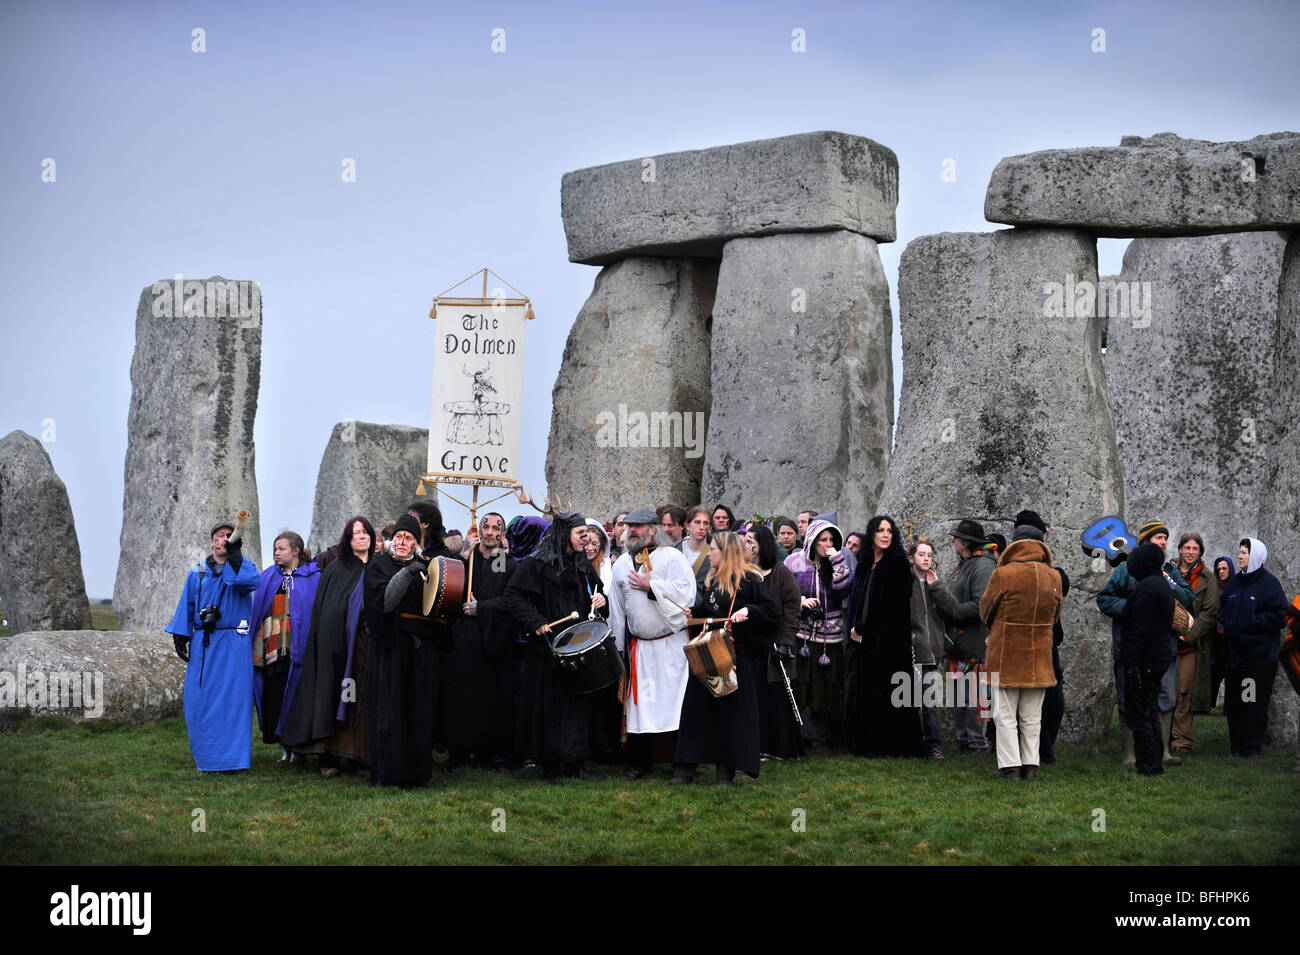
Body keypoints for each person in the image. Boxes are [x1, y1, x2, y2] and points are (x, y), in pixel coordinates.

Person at [502, 513, 609, 780]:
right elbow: (513, 597)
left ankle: (577, 764)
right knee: (551, 705)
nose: (586, 538)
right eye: (580, 533)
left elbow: (597, 590)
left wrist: (600, 598)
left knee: (578, 703)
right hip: (548, 644)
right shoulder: (537, 562)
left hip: (579, 640)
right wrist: (535, 621)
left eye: (586, 532)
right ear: (564, 535)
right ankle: (551, 766)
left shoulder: (582, 561)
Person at [673, 531, 779, 784]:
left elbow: (771, 612)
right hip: (709, 655)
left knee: (731, 717)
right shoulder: (712, 581)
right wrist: (695, 612)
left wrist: (749, 610)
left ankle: (726, 770)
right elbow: (711, 611)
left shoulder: (751, 579)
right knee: (697, 711)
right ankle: (685, 767)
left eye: (713, 550)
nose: (708, 554)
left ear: (726, 552)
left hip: (737, 657)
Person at [280, 516, 375, 777]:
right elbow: (327, 610)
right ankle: (329, 754)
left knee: (359, 700)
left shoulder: (379, 567)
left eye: (366, 531)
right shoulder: (337, 568)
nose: (362, 536)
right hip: (337, 646)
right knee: (334, 694)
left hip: (365, 647)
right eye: (356, 533)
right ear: (348, 539)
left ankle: (358, 755)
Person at [608, 508, 697, 779]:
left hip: (671, 646)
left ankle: (683, 765)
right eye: (628, 526)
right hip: (640, 649)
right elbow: (617, 608)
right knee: (640, 708)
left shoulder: (672, 557)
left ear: (652, 530)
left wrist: (653, 585)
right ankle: (639, 762)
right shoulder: (621, 563)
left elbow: (687, 596)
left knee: (676, 704)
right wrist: (619, 649)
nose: (631, 530)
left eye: (638, 526)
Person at [166, 519, 261, 772]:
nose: (224, 539)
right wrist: (181, 635)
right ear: (212, 541)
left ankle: (233, 760)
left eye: (229, 535)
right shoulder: (197, 572)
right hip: (205, 643)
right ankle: (207, 758)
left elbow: (252, 582)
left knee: (234, 700)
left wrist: (236, 557)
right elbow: (186, 605)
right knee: (200, 699)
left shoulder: (243, 568)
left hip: (234, 644)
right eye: (220, 535)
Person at [363, 513, 449, 787]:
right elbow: (386, 603)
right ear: (391, 540)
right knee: (391, 710)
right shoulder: (378, 566)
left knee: (419, 711)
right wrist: (408, 571)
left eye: (409, 538)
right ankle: (389, 773)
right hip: (391, 648)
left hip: (422, 650)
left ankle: (416, 774)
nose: (402, 541)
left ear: (417, 543)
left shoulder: (428, 567)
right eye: (398, 536)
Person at [1097, 520, 1192, 766]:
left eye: (1164, 538)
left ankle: (1162, 753)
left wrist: (1170, 585)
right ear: (1144, 542)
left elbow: (1189, 599)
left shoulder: (1170, 572)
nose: (1163, 542)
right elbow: (1105, 598)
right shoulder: (1125, 569)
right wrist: (1133, 608)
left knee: (1166, 698)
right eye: (1157, 538)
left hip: (1163, 649)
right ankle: (1130, 755)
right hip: (1131, 648)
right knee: (1130, 700)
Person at [979, 528, 1062, 780]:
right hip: (1039, 655)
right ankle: (1030, 765)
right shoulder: (1054, 576)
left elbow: (985, 611)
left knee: (1005, 715)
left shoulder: (1003, 574)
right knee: (1032, 717)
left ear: (1015, 543)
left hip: (1006, 654)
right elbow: (1055, 616)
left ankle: (1010, 767)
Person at [441, 512, 519, 769]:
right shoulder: (465, 561)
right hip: (465, 639)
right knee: (462, 695)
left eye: (496, 528)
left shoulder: (509, 564)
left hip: (495, 640)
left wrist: (482, 607)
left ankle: (490, 753)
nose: (490, 531)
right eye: (485, 526)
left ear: (502, 535)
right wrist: (464, 553)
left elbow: (512, 601)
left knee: (492, 697)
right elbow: (448, 589)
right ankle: (460, 751)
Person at [846, 515, 921, 758]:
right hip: (865, 640)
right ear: (872, 535)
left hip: (889, 641)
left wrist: (865, 632)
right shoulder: (866, 563)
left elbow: (890, 606)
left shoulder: (897, 563)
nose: (886, 534)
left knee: (891, 692)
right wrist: (855, 629)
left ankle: (894, 746)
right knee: (867, 692)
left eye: (890, 530)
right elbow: (858, 600)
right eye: (880, 530)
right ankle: (870, 743)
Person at [249, 531, 320, 759]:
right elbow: (258, 610)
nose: (277, 553)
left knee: (298, 698)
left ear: (296, 551)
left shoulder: (313, 577)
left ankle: (298, 747)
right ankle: (284, 746)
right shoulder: (269, 576)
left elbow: (313, 611)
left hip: (299, 649)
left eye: (281, 549)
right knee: (276, 696)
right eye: (275, 549)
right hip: (273, 649)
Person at [784, 517, 853, 746]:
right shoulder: (794, 561)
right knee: (804, 681)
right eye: (823, 540)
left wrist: (837, 559)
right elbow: (784, 593)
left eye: (831, 539)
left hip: (831, 636)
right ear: (813, 541)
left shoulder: (836, 561)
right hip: (803, 634)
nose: (828, 544)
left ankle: (824, 736)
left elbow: (844, 591)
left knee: (829, 683)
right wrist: (801, 601)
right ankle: (802, 734)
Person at [1220, 537, 1288, 758]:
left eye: (1244, 553)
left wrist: (1252, 622)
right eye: (1239, 552)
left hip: (1256, 660)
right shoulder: (1235, 582)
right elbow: (1223, 607)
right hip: (1234, 658)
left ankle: (1251, 748)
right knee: (1234, 703)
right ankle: (1236, 747)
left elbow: (1280, 616)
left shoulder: (1269, 584)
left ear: (1255, 556)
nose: (1239, 556)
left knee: (1251, 702)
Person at [1012, 510, 1070, 765]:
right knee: (1023, 701)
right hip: (1021, 644)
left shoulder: (1051, 572)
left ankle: (1043, 749)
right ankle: (1029, 751)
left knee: (1052, 701)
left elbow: (1062, 585)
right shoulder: (1010, 570)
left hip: (1047, 644)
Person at [936, 519, 997, 754]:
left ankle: (977, 743)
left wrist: (952, 612)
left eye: (957, 538)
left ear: (966, 542)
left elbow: (982, 604)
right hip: (958, 643)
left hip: (974, 644)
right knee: (957, 695)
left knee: (974, 698)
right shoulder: (967, 563)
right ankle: (965, 740)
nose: (953, 541)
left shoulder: (982, 565)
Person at [747, 523, 803, 761]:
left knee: (778, 699)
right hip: (752, 646)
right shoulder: (746, 573)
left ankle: (780, 748)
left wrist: (786, 641)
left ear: (762, 545)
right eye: (746, 539)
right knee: (756, 698)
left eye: (752, 540)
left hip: (777, 646)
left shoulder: (780, 573)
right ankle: (757, 746)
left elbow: (792, 607)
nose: (747, 544)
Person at [1121, 543, 1175, 776]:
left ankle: (1149, 765)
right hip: (1158, 656)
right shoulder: (1160, 585)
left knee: (1141, 713)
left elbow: (1138, 630)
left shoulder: (1147, 589)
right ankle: (1153, 762)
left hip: (1146, 660)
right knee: (1150, 710)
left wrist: (1131, 663)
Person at [908, 539, 959, 759]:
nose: (926, 558)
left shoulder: (935, 583)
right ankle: (910, 744)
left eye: (929, 555)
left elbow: (953, 610)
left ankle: (934, 745)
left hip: (932, 652)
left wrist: (936, 586)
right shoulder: (905, 582)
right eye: (922, 554)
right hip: (911, 650)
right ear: (912, 558)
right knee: (907, 700)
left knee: (929, 702)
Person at [1172, 532, 1218, 754]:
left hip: (1191, 645)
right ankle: (1162, 736)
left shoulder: (1208, 579)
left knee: (1184, 691)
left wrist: (1188, 637)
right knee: (1165, 690)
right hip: (1166, 642)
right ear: (1180, 549)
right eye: (1187, 548)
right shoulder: (1167, 572)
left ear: (1200, 552)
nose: (1191, 552)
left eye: (1195, 549)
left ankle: (1182, 740)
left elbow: (1209, 613)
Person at [1210, 555, 1236, 708]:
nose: (1221, 571)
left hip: (1231, 637)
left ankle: (1229, 706)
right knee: (1215, 672)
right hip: (1216, 637)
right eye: (1218, 569)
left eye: (1224, 568)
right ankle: (1210, 704)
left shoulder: (1236, 586)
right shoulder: (1213, 587)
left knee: (1230, 674)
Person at [680, 506, 712, 586]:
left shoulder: (714, 553)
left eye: (705, 523)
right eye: (697, 522)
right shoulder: (676, 549)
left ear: (710, 528)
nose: (701, 527)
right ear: (687, 526)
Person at [584, 518, 614, 592]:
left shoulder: (605, 565)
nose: (590, 548)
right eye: (586, 544)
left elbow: (607, 591)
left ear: (601, 545)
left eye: (594, 544)